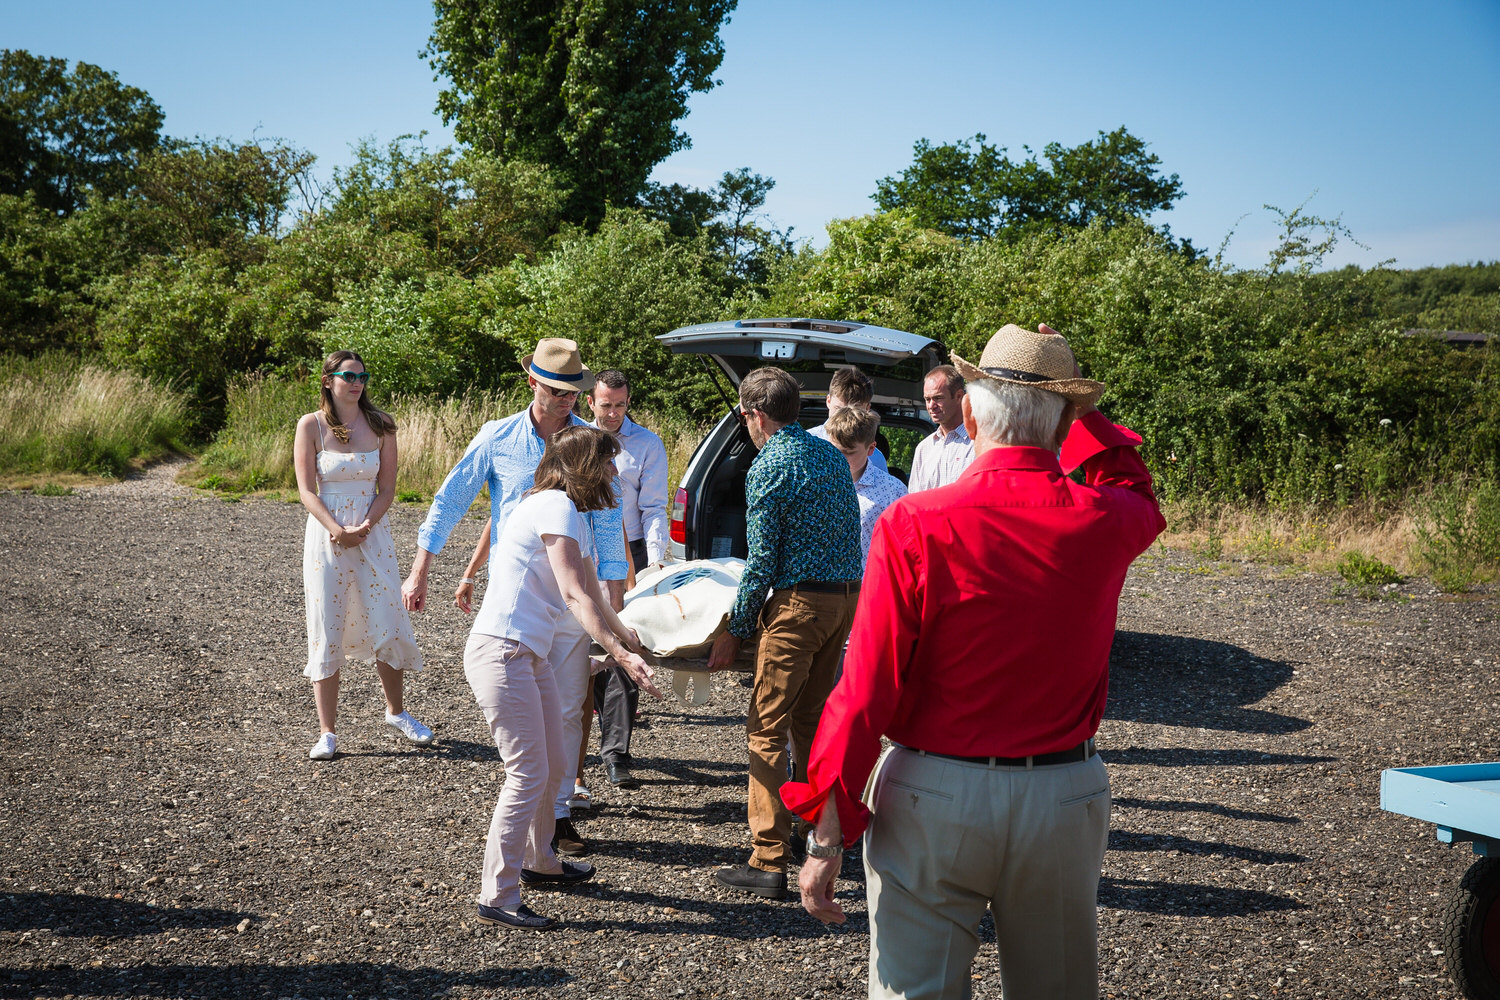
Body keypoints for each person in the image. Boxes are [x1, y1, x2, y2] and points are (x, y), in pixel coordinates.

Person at [782, 323, 1166, 1000]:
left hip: (934, 793)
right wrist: (1080, 411)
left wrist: (826, 828)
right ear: (1062, 423)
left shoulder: (916, 523)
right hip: (1062, 791)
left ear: (968, 411)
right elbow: (1130, 480)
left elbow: (865, 688)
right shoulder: (1105, 516)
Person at [405, 338, 629, 860]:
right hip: (520, 596)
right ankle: (530, 819)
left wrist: (615, 604)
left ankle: (558, 815)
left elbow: (609, 522)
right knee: (527, 715)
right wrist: (420, 571)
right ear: (532, 382)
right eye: (554, 390)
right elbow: (452, 497)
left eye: (573, 391)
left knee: (571, 707)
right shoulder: (497, 437)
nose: (565, 400)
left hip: (574, 594)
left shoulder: (589, 443)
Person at [453, 425, 659, 930]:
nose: (615, 471)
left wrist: (626, 635)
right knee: (526, 773)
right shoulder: (555, 506)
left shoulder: (575, 514)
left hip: (530, 655)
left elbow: (593, 590)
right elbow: (573, 596)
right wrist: (618, 655)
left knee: (556, 760)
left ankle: (542, 861)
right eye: (608, 463)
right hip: (502, 652)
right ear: (586, 467)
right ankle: (498, 894)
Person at [704, 367, 862, 900]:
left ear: (755, 415)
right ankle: (810, 833)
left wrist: (735, 627)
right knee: (810, 727)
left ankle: (768, 857)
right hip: (844, 602)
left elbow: (762, 561)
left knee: (765, 728)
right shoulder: (828, 453)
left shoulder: (769, 463)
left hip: (799, 610)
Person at [294, 350, 430, 762]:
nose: (357, 382)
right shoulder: (310, 425)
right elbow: (306, 490)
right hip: (326, 536)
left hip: (373, 533)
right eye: (348, 375)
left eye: (362, 375)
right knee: (326, 623)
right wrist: (336, 530)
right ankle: (328, 732)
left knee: (386, 614)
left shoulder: (381, 424)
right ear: (328, 380)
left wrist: (365, 527)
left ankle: (397, 712)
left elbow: (387, 489)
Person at [583, 369, 670, 794]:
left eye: (621, 405)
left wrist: (655, 563)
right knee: (585, 645)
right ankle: (588, 733)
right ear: (591, 404)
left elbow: (654, 507)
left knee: (625, 643)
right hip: (584, 551)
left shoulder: (648, 445)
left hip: (632, 553)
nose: (614, 413)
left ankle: (616, 750)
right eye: (606, 405)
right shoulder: (575, 441)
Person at [824, 407, 906, 563]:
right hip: (823, 585)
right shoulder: (817, 485)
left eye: (848, 452)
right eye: (834, 450)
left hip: (868, 583)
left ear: (871, 449)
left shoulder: (893, 491)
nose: (839, 458)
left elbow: (902, 547)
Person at [807, 366, 890, 474]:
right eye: (839, 409)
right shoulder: (807, 443)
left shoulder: (875, 458)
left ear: (867, 409)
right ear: (828, 401)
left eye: (855, 412)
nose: (844, 417)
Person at [907, 364, 974, 491]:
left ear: (959, 396)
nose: (931, 406)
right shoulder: (924, 449)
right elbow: (914, 500)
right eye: (927, 399)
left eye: (938, 398)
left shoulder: (977, 444)